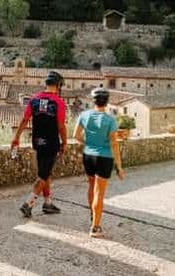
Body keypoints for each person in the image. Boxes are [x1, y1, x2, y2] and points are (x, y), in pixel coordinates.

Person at [11, 70, 68, 218]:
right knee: (43, 175)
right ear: (58, 85)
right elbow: (61, 126)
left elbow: (24, 120)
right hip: (51, 143)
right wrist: (65, 142)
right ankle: (28, 204)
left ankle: (48, 203)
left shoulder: (34, 100)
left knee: (45, 172)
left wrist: (16, 138)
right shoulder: (59, 102)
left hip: (37, 141)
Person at [74, 87, 125, 238]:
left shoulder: (84, 115)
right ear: (107, 102)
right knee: (99, 193)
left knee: (91, 186)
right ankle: (95, 227)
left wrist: (88, 142)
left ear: (93, 100)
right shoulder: (110, 120)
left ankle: (93, 215)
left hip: (88, 156)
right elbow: (114, 144)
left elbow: (76, 135)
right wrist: (119, 167)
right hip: (104, 158)